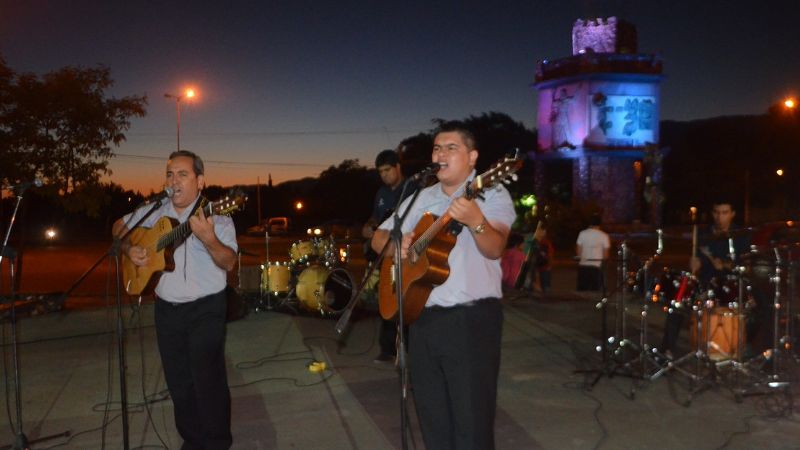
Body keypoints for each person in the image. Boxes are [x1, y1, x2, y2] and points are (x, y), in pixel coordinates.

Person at [371, 121, 516, 449]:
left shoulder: (492, 191)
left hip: (470, 320)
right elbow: (379, 238)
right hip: (421, 318)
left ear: (473, 157)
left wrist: (476, 221)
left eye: (451, 147)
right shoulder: (420, 196)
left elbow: (495, 248)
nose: (441, 153)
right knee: (432, 415)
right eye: (437, 148)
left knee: (471, 419)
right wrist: (402, 243)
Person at [112, 150, 237, 449]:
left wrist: (208, 239)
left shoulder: (217, 216)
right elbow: (118, 226)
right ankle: (192, 441)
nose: (174, 180)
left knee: (207, 379)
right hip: (167, 310)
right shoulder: (153, 211)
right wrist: (129, 249)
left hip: (206, 308)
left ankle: (217, 442)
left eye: (182, 174)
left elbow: (229, 262)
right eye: (170, 174)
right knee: (179, 382)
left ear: (200, 181)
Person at [661, 200, 750, 358]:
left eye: (724, 213)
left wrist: (725, 265)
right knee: (677, 303)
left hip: (730, 285)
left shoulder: (741, 235)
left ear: (732, 214)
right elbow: (697, 261)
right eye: (716, 212)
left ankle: (743, 348)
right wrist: (695, 262)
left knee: (760, 304)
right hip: (705, 283)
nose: (719, 217)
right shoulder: (703, 234)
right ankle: (667, 349)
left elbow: (746, 265)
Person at [362, 149, 415, 363]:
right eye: (380, 172)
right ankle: (387, 348)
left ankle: (410, 349)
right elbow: (376, 218)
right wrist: (368, 227)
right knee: (387, 297)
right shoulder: (381, 194)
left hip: (407, 251)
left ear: (398, 167)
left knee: (407, 300)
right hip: (387, 253)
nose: (384, 175)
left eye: (387, 170)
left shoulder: (413, 189)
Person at [575, 214, 610, 291]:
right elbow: (606, 255)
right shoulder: (604, 236)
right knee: (595, 290)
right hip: (596, 266)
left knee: (582, 290)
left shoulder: (582, 233)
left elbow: (578, 251)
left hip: (584, 264)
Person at [535, 225, 555, 294]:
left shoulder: (546, 243)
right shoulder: (536, 242)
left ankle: (546, 298)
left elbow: (550, 255)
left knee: (545, 286)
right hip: (537, 267)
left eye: (542, 231)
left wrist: (549, 265)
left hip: (544, 267)